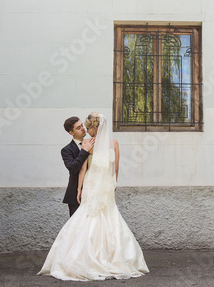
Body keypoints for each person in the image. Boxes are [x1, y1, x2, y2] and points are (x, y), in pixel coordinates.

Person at [38, 112, 149, 281]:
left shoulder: (89, 143)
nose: (85, 130)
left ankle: (90, 258)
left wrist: (84, 189)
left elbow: (85, 169)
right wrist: (112, 183)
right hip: (103, 186)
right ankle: (100, 257)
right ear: (71, 132)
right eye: (81, 127)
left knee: (93, 220)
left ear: (95, 127)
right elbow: (115, 169)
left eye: (87, 127)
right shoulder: (112, 144)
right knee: (101, 220)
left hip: (97, 186)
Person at [61, 116, 95, 217]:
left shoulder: (93, 143)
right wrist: (84, 151)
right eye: (78, 128)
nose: (83, 128)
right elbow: (73, 168)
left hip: (93, 191)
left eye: (82, 126)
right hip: (75, 195)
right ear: (71, 133)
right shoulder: (66, 150)